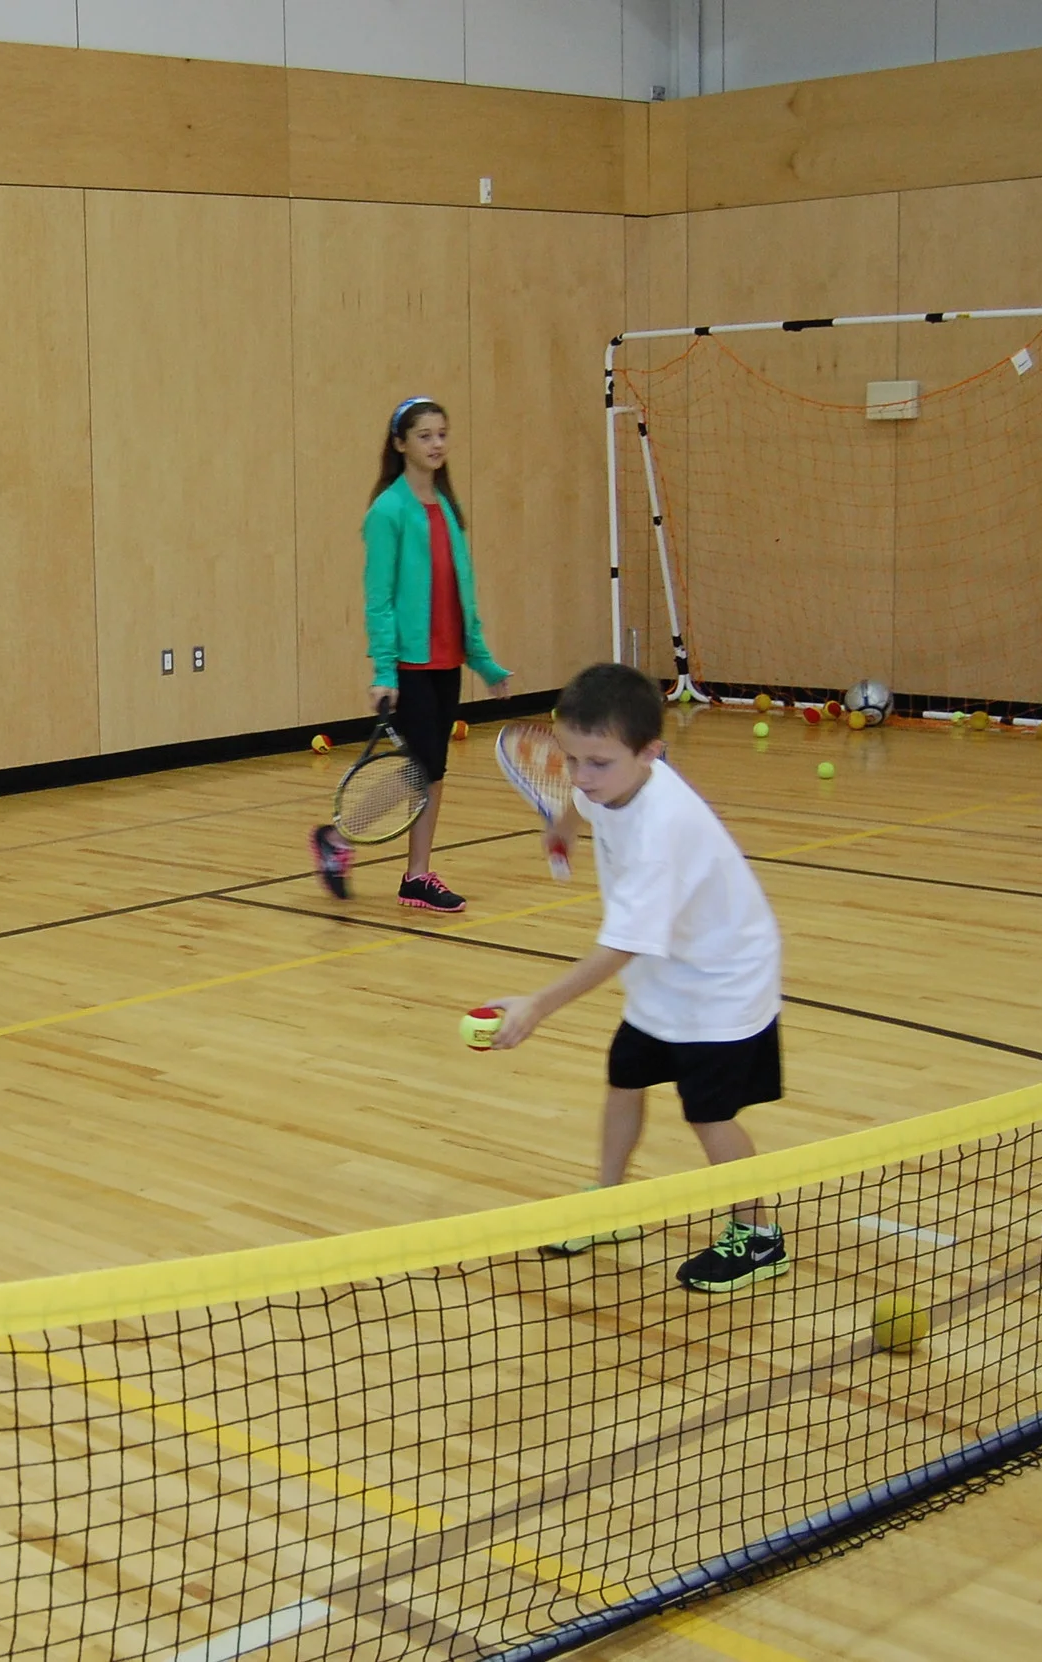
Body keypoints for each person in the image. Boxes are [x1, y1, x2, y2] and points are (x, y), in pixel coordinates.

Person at [482, 662, 789, 1294]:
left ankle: (759, 1236)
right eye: (570, 759)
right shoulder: (612, 782)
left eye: (597, 763)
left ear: (651, 752)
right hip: (668, 968)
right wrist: (563, 822)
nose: (580, 776)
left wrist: (537, 1005)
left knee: (708, 1113)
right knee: (626, 1075)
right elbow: (584, 797)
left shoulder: (661, 828)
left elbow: (621, 945)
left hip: (720, 980)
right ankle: (609, 1204)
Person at [310, 396, 510, 912]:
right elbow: (378, 599)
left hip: (446, 664)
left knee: (431, 770)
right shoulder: (388, 512)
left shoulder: (446, 507)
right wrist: (384, 670)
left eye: (442, 433)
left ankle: (406, 870)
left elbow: (461, 593)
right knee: (420, 768)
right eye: (425, 435)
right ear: (400, 444)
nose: (437, 443)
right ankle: (359, 847)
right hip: (410, 666)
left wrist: (483, 662)